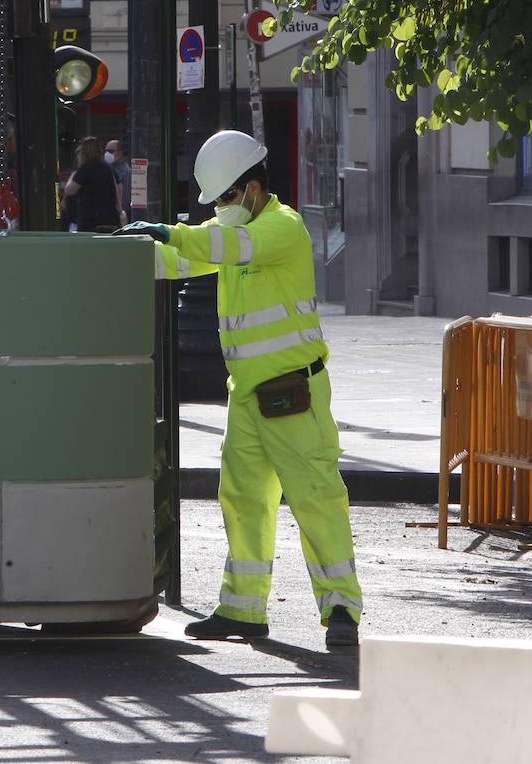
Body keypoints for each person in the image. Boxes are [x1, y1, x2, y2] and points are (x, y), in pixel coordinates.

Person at [114, 129, 362, 649]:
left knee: (316, 499)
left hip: (295, 393)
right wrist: (117, 255)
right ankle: (243, 609)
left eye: (226, 198)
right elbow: (184, 260)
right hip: (248, 395)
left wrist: (167, 229)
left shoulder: (281, 228)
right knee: (243, 499)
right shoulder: (235, 230)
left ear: (251, 188)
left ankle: (341, 608)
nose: (220, 208)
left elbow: (216, 244)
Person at [62, 136, 121, 233]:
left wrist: (74, 174)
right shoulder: (107, 168)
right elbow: (117, 191)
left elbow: (69, 190)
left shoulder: (85, 169)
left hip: (89, 221)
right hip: (110, 219)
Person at [104, 138, 131, 225]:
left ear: (120, 152)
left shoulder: (125, 172)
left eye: (111, 151)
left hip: (117, 218)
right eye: (106, 151)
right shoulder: (107, 169)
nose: (107, 154)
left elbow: (125, 199)